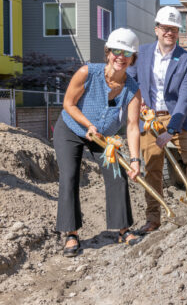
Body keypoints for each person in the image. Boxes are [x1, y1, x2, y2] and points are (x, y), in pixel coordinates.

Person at [54, 28, 142, 257]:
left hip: (102, 138)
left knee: (117, 171)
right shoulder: (87, 72)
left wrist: (134, 160)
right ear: (108, 52)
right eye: (116, 51)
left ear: (133, 58)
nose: (120, 57)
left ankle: (123, 229)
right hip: (71, 129)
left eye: (126, 53)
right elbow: (68, 104)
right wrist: (87, 125)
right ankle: (71, 234)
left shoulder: (132, 90)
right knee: (69, 175)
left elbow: (133, 126)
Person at [128, 6, 187, 234]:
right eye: (165, 28)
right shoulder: (140, 55)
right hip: (149, 116)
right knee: (152, 166)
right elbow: (131, 83)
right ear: (156, 29)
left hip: (177, 117)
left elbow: (185, 98)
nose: (169, 32)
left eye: (174, 29)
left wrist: (171, 129)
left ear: (178, 32)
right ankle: (154, 217)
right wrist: (138, 102)